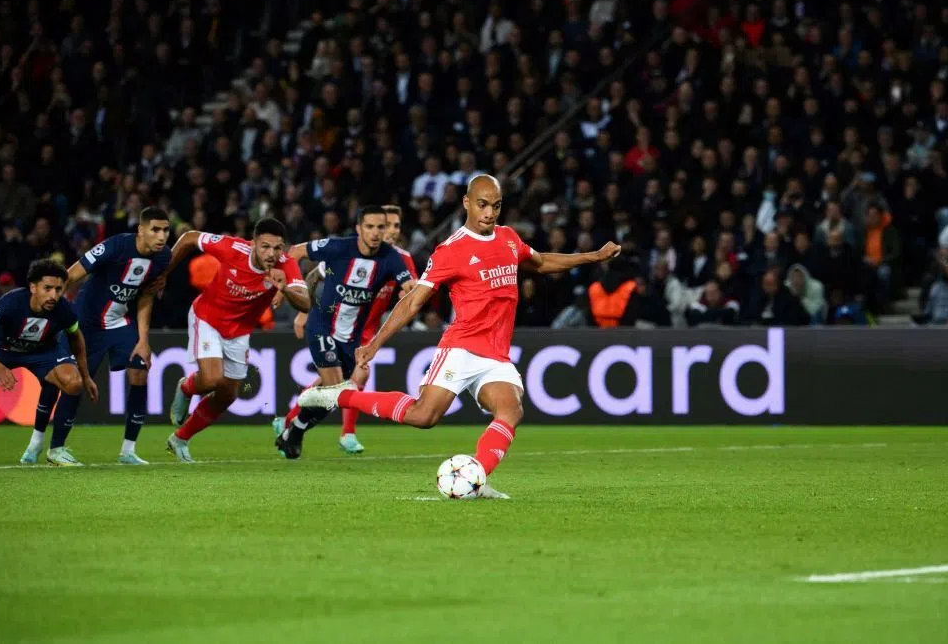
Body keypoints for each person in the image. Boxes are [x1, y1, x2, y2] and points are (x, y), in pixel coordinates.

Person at [297, 175, 621, 498]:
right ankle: (337, 396)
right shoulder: (450, 250)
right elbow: (412, 302)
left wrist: (593, 256)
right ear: (467, 202)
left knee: (512, 411)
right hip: (462, 347)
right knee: (424, 416)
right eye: (482, 205)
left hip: (496, 355)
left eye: (495, 206)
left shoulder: (509, 238)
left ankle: (476, 477)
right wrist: (374, 344)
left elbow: (541, 261)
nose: (489, 213)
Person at [274, 205, 417, 454]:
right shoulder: (338, 247)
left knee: (336, 395)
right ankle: (302, 431)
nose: (375, 233)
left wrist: (414, 293)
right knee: (337, 387)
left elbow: (411, 289)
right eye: (370, 227)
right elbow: (295, 252)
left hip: (352, 338)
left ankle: (294, 429)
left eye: (380, 227)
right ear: (358, 228)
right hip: (322, 326)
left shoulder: (392, 258)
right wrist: (296, 298)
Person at [164, 219, 310, 462]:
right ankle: (186, 387)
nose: (271, 254)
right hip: (207, 318)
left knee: (228, 395)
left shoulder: (287, 265)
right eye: (265, 246)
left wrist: (284, 289)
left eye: (277, 248)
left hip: (239, 331)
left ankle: (179, 439)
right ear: (252, 244)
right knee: (211, 379)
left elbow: (306, 302)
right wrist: (163, 274)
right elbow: (190, 237)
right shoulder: (232, 248)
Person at [40, 207, 172, 466]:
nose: (162, 236)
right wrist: (56, 313)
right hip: (86, 324)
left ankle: (128, 450)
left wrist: (143, 340)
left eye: (166, 230)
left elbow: (146, 296)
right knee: (74, 383)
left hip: (119, 322)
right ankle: (55, 448)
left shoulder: (163, 258)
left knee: (140, 369)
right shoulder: (115, 247)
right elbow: (73, 273)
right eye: (155, 230)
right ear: (141, 230)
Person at [0, 259, 98, 466]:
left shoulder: (64, 309)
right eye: (47, 288)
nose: (53, 295)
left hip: (42, 351)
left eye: (58, 289)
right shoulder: (11, 302)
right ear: (33, 287)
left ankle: (55, 450)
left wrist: (86, 376)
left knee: (73, 382)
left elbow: (76, 338)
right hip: (2, 350)